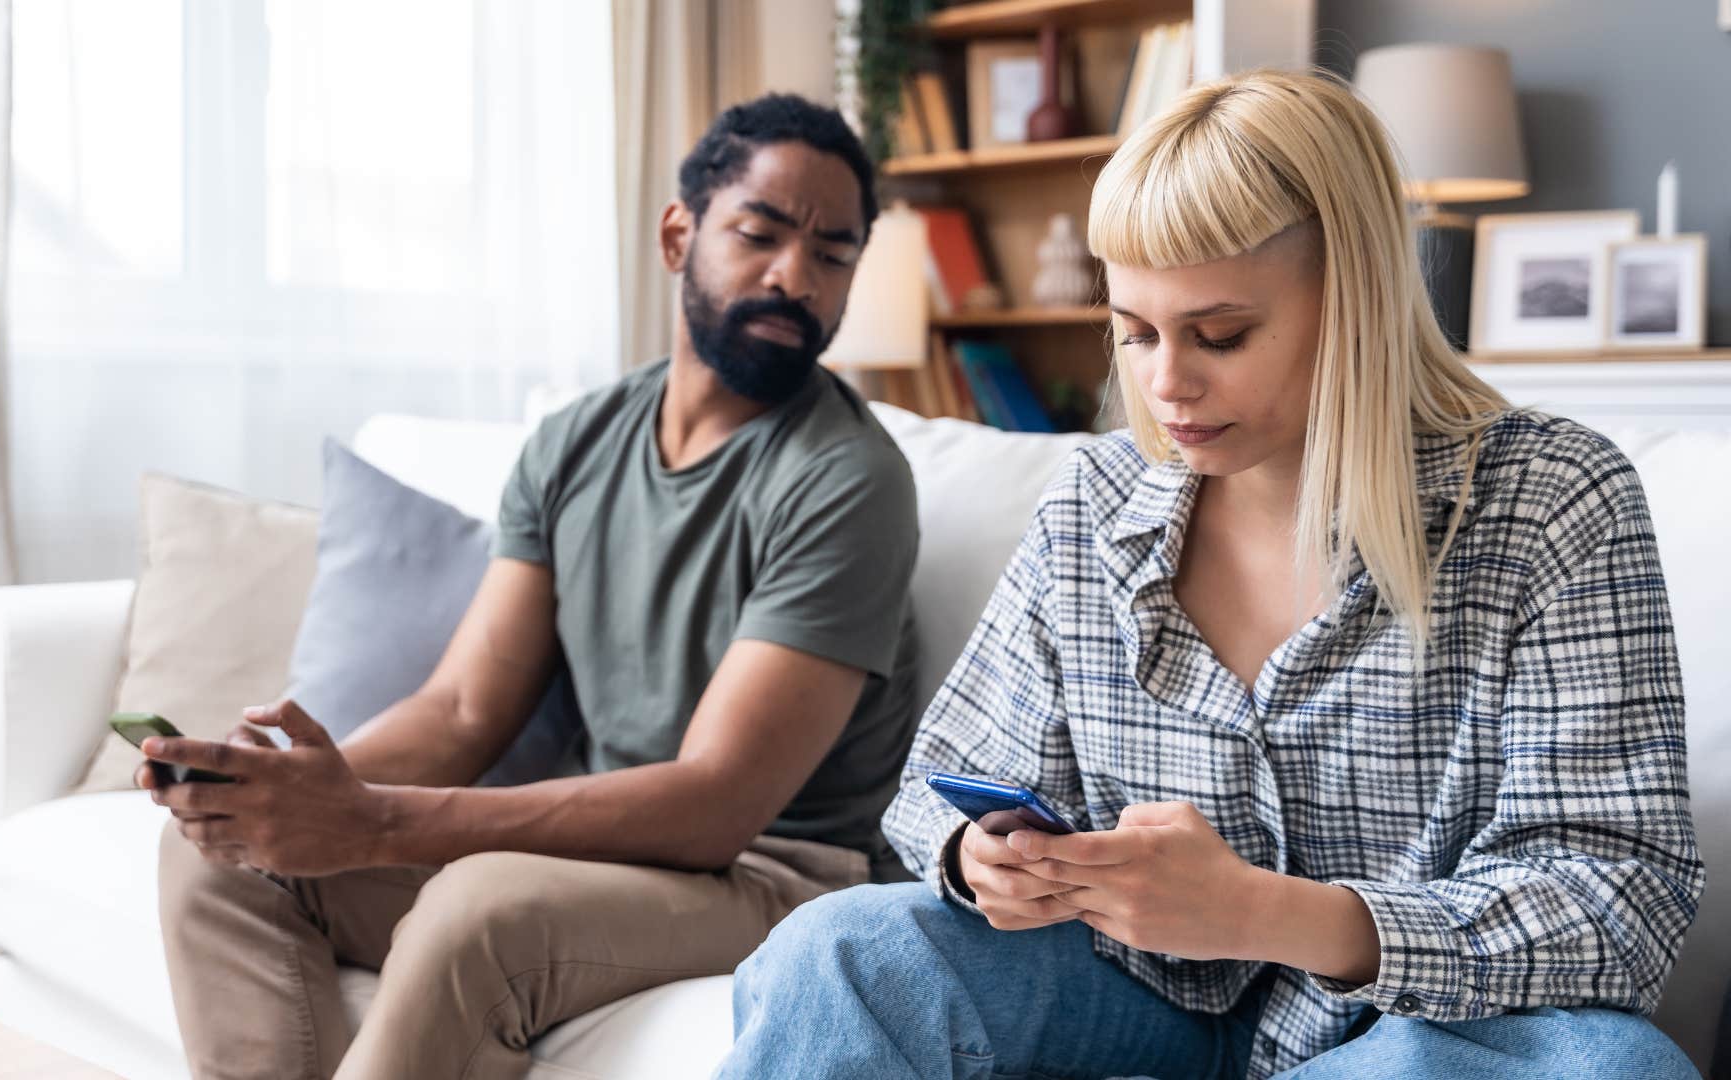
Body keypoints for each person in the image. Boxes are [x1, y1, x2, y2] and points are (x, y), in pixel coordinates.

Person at [719, 69, 1705, 1079]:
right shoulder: (1094, 505)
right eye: (1135, 333)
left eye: (1220, 336)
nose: (1165, 384)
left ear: (1354, 294)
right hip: (1123, 990)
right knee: (836, 951)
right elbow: (940, 785)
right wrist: (982, 863)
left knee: (1611, 1066)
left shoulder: (1551, 498)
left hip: (1411, 1033)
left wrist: (1269, 914)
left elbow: (1615, 900)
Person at [142, 93, 921, 1080]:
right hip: (611, 856)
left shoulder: (849, 479)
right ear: (678, 235)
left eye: (833, 255)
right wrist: (304, 793)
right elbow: (466, 708)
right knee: (222, 866)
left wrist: (373, 819)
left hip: (772, 871)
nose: (794, 278)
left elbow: (718, 802)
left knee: (478, 911)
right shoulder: (574, 443)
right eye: (759, 233)